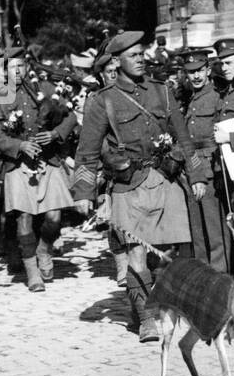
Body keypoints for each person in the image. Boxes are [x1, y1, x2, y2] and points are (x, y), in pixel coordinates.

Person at [71, 31, 198, 342]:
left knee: (168, 254)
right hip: (129, 186)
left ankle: (158, 303)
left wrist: (199, 177)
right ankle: (146, 319)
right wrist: (83, 194)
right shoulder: (104, 101)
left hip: (165, 181)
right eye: (133, 56)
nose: (140, 60)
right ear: (116, 61)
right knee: (136, 255)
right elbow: (87, 151)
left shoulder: (162, 92)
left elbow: (184, 140)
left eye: (142, 54)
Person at [0, 48, 78, 292]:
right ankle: (32, 273)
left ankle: (44, 249)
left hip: (48, 161)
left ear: (27, 67)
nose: (17, 72)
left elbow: (69, 118)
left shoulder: (45, 90)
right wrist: (19, 145)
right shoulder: (1, 96)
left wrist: (55, 134)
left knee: (54, 217)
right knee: (23, 218)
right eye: (12, 68)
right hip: (17, 164)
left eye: (21, 67)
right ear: (5, 71)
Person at [179, 50, 229, 273]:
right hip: (191, 168)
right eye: (191, 72)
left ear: (208, 70)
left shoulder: (218, 96)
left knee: (215, 228)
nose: (196, 76)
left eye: (200, 70)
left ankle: (220, 275)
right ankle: (202, 274)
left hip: (210, 167)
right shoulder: (188, 99)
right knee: (197, 230)